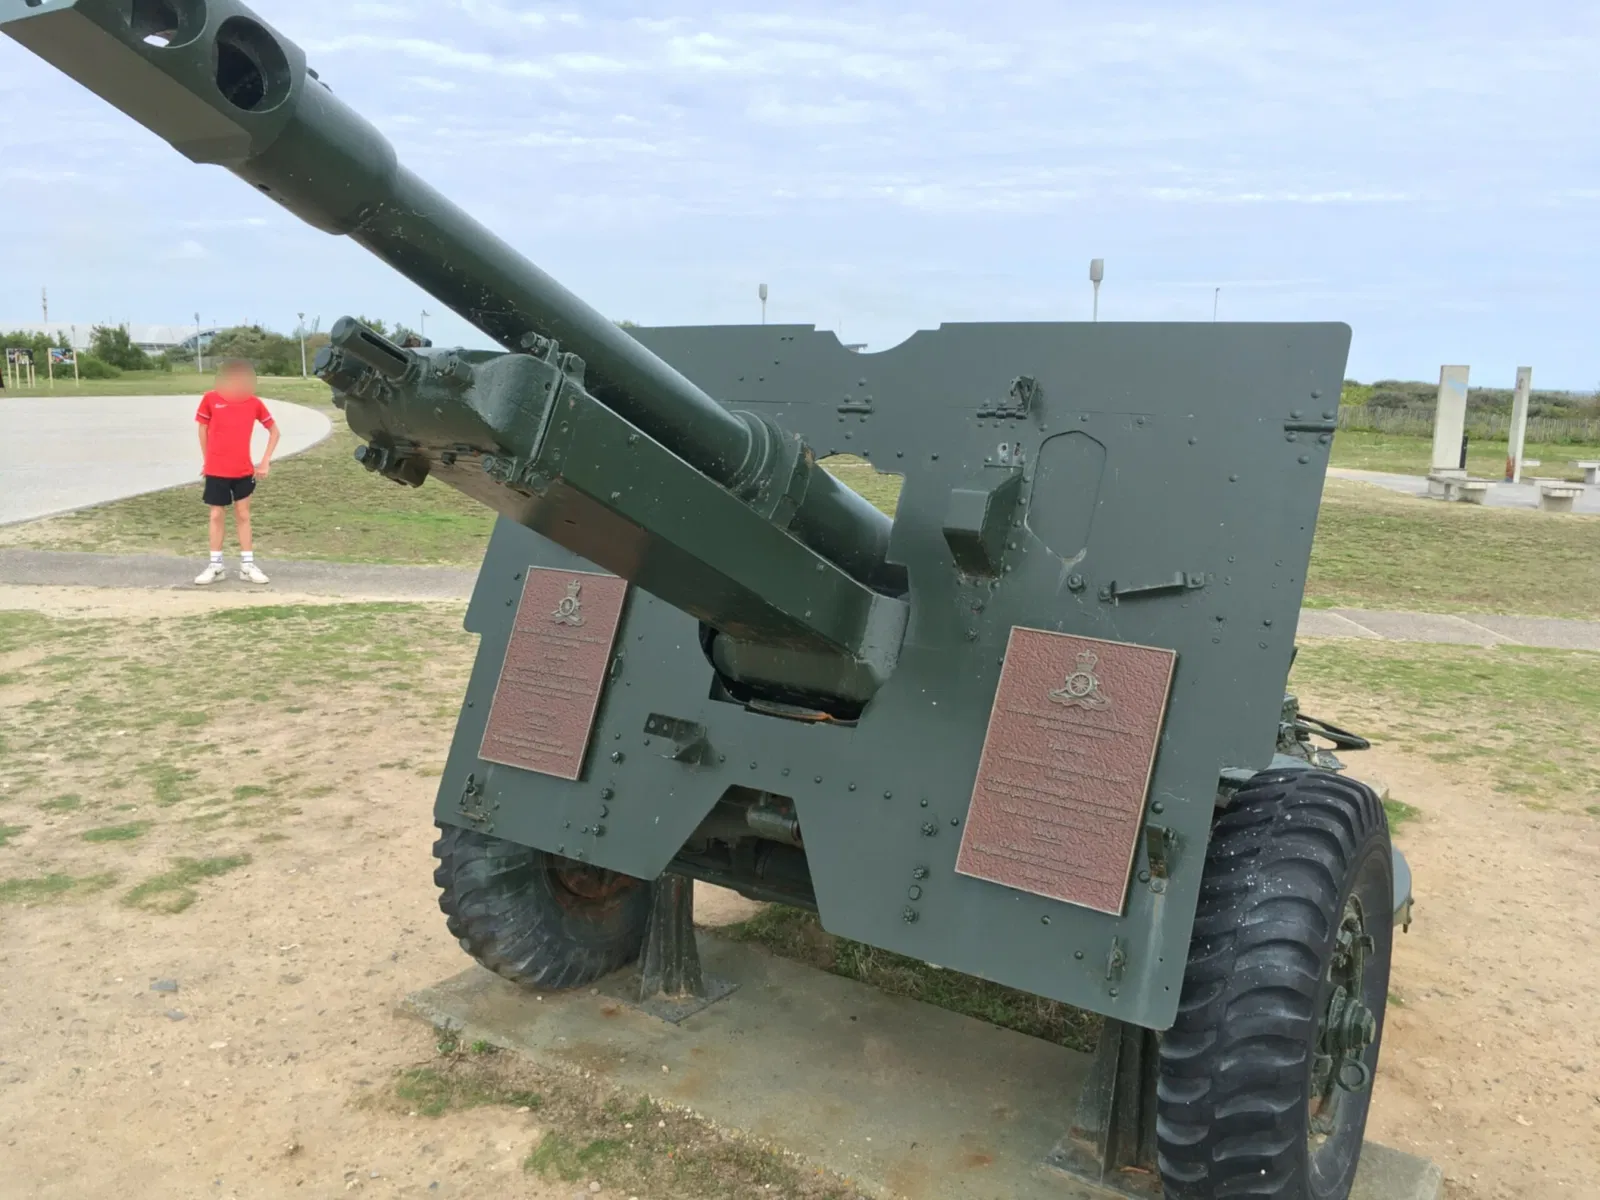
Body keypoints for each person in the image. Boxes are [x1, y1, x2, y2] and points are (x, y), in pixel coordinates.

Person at [194, 359, 279, 585]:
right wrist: (207, 460)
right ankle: (216, 566)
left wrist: (265, 462)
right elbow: (202, 430)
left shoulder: (254, 403)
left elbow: (274, 431)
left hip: (243, 470)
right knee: (216, 514)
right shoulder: (210, 399)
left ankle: (247, 566)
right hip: (216, 469)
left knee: (243, 515)